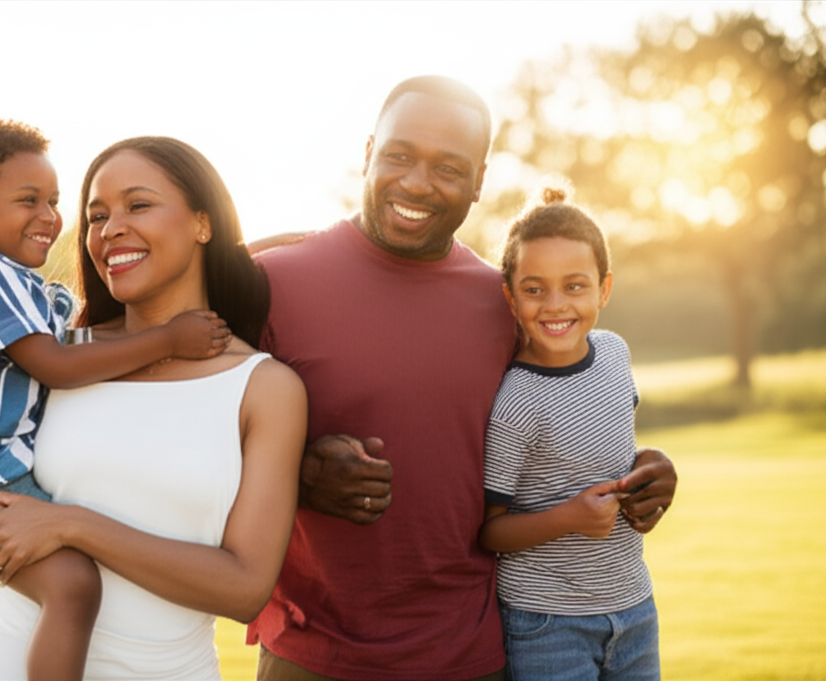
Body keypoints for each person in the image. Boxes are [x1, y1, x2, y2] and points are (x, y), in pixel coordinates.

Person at [248, 76, 677, 681]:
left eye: (448, 168)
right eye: (399, 156)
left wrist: (646, 466)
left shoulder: (505, 304)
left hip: (471, 655)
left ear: (479, 182)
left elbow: (553, 428)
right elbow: (192, 443)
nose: (417, 182)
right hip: (315, 653)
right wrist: (298, 474)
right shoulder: (273, 284)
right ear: (369, 152)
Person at [0, 136, 307, 680]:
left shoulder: (264, 388)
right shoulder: (56, 353)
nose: (110, 230)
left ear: (204, 223)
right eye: (96, 216)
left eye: (139, 205)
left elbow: (245, 589)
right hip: (8, 659)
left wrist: (72, 525)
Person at [480, 185, 660, 680]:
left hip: (634, 605)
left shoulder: (615, 355)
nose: (555, 305)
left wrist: (649, 467)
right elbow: (489, 529)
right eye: (534, 289)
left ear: (604, 289)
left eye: (575, 286)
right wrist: (570, 517)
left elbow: (614, 451)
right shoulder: (515, 400)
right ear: (510, 297)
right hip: (545, 622)